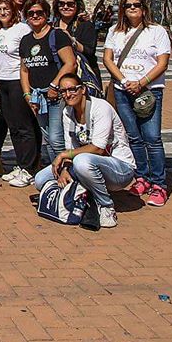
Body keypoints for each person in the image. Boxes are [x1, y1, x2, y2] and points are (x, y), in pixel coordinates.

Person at [31, 72, 136, 228]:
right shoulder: (68, 112)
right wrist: (66, 168)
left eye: (72, 89)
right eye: (63, 91)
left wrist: (64, 155)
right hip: (88, 164)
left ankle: (106, 206)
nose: (68, 94)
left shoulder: (100, 108)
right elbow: (71, 147)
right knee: (40, 180)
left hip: (120, 168)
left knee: (81, 161)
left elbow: (98, 148)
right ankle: (85, 192)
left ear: (83, 90)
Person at [103, 0, 172, 207]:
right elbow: (108, 59)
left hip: (148, 91)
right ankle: (141, 177)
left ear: (144, 8)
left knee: (152, 137)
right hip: (123, 90)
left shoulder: (157, 32)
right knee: (133, 136)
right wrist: (124, 81)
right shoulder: (115, 32)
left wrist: (141, 82)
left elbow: (162, 62)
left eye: (137, 5)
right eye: (128, 5)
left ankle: (159, 184)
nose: (132, 8)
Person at [0, 0, 40, 188]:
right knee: (13, 126)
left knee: (25, 126)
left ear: (13, 11)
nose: (3, 13)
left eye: (6, 9)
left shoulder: (22, 29)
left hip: (18, 81)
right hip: (2, 82)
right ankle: (21, 163)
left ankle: (30, 168)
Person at [20, 0, 77, 164]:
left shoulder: (57, 35)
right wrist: (27, 95)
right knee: (47, 137)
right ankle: (56, 172)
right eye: (31, 13)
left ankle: (65, 173)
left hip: (56, 95)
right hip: (38, 97)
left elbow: (70, 63)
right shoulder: (26, 40)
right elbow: (24, 70)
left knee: (56, 137)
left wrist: (54, 85)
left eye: (39, 12)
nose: (35, 16)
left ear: (47, 14)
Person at [54, 0, 101, 93]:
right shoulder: (53, 26)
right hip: (60, 77)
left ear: (77, 5)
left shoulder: (85, 25)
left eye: (70, 4)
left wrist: (70, 39)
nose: (65, 7)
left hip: (82, 78)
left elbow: (89, 51)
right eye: (61, 4)